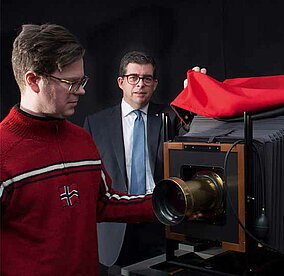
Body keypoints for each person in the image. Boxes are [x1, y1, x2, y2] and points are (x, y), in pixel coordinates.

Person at [0, 24, 157, 276]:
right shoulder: (3, 152)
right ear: (33, 80)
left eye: (81, 81)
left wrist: (171, 201)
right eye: (71, 82)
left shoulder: (82, 140)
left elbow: (105, 202)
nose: (82, 90)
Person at [83, 51, 175, 272]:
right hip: (116, 227)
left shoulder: (171, 118)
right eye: (133, 77)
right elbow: (89, 182)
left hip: (158, 220)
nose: (140, 84)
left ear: (154, 84)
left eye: (147, 79)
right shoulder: (96, 124)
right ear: (121, 82)